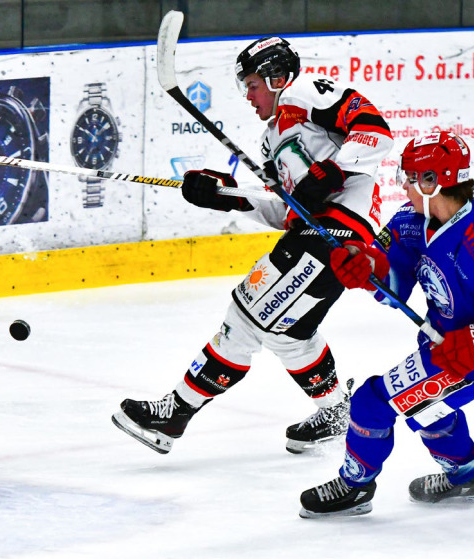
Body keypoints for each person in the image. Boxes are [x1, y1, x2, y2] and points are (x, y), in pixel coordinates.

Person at [112, 36, 393, 454]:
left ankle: (175, 413)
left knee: (246, 313)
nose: (248, 95)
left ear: (278, 77)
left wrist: (331, 172)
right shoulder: (271, 140)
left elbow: (375, 132)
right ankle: (337, 412)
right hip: (312, 233)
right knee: (290, 335)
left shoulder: (303, 93)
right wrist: (223, 194)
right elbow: (283, 210)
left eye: (253, 84)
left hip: (337, 233)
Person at [300, 131, 474, 517]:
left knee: (372, 402)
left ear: (434, 182)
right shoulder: (410, 220)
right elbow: (392, 281)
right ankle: (464, 475)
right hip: (441, 342)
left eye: (413, 176)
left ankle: (355, 487)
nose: (405, 184)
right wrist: (366, 267)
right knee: (426, 409)